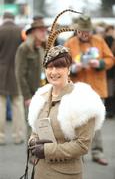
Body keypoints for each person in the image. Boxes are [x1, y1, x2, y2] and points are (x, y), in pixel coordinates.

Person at [27, 45, 105, 179]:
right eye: (49, 67)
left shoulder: (83, 99)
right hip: (40, 171)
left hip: (65, 174)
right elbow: (35, 130)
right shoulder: (40, 96)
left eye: (59, 67)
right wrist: (33, 141)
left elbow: (82, 145)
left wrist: (47, 150)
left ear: (69, 69)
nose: (53, 71)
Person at [64, 14, 114, 165]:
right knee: (76, 122)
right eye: (82, 31)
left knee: (96, 122)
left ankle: (97, 152)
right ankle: (76, 154)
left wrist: (98, 63)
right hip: (77, 90)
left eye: (87, 31)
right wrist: (73, 68)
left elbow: (111, 59)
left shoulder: (99, 41)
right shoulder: (69, 43)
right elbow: (63, 65)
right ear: (77, 30)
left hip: (97, 89)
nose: (85, 34)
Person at [0, 12, 26, 145]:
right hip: (17, 70)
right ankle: (18, 136)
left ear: (4, 19)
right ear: (13, 19)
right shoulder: (20, 31)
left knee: (1, 104)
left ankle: (0, 137)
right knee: (17, 104)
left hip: (1, 71)